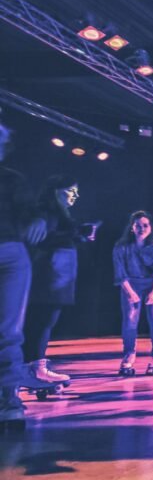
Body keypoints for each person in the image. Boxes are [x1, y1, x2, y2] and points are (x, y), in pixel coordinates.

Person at [22, 175, 98, 391]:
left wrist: (78, 234)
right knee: (41, 321)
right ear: (56, 190)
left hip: (57, 274)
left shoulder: (57, 213)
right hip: (49, 274)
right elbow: (42, 238)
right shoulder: (46, 212)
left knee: (45, 321)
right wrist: (76, 232)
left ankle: (34, 367)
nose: (75, 195)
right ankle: (34, 368)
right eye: (70, 190)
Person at [0, 122, 48, 429]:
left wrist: (37, 219)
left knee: (8, 332)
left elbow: (29, 209)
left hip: (10, 254)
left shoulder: (12, 180)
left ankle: (8, 398)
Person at [112, 211, 153, 376]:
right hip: (131, 284)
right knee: (130, 319)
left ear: (150, 228)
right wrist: (129, 291)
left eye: (145, 225)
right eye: (138, 225)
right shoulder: (122, 246)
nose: (141, 228)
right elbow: (120, 272)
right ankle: (129, 354)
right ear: (132, 227)